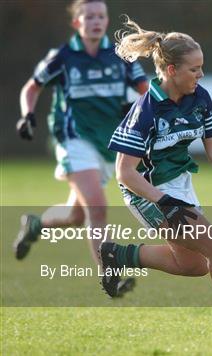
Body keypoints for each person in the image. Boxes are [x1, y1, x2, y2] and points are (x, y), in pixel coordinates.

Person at [103, 17, 212, 326]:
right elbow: (124, 173)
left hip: (179, 183)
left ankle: (119, 255)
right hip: (147, 191)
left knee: (193, 264)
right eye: (194, 69)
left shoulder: (200, 98)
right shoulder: (146, 110)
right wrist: (164, 201)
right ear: (171, 71)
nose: (201, 74)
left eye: (201, 67)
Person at [13, 0, 148, 296]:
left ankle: (36, 225)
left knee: (77, 215)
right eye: (89, 16)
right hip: (73, 138)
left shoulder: (121, 56)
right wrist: (27, 114)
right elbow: (32, 87)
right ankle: (109, 277)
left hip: (107, 143)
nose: (96, 21)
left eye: (101, 16)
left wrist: (145, 111)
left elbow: (145, 91)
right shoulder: (62, 56)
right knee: (97, 208)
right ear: (77, 23)